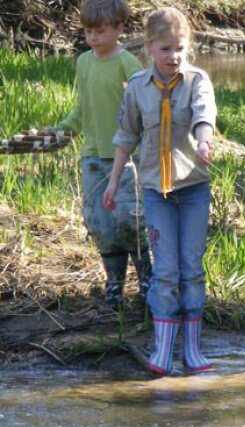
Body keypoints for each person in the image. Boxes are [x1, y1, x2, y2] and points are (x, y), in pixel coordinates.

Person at [103, 6, 217, 376]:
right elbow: (126, 137)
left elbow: (204, 117)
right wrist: (114, 181)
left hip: (194, 189)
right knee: (166, 270)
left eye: (180, 48)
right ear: (149, 48)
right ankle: (163, 349)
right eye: (165, 49)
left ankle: (194, 351)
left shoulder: (198, 81)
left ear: (189, 47)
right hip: (156, 192)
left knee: (192, 268)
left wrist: (203, 143)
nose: (174, 56)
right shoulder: (137, 87)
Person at [54, 0, 151, 308]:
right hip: (93, 154)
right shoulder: (83, 61)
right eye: (87, 31)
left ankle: (147, 278)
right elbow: (82, 109)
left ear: (119, 29)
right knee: (98, 221)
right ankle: (114, 285)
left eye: (99, 31)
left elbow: (144, 105)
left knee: (127, 219)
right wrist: (62, 130)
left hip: (126, 155)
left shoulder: (127, 63)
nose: (92, 38)